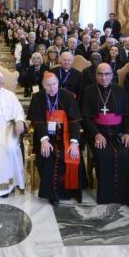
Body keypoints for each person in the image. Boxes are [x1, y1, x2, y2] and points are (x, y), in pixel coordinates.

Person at [81, 63, 129, 205]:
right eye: (100, 74)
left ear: (112, 75)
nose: (104, 77)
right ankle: (106, 196)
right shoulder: (88, 91)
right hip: (99, 133)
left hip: (119, 134)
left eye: (107, 74)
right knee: (104, 155)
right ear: (96, 75)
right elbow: (86, 117)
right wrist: (96, 134)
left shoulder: (120, 91)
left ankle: (126, 195)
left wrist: (127, 133)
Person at [28, 73, 85, 205]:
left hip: (65, 136)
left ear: (58, 83)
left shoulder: (67, 96)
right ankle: (52, 194)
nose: (52, 88)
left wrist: (74, 142)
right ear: (43, 85)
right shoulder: (38, 98)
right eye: (48, 85)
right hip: (46, 137)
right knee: (48, 156)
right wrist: (44, 140)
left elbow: (74, 121)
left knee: (73, 154)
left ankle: (70, 191)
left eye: (54, 84)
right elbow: (39, 122)